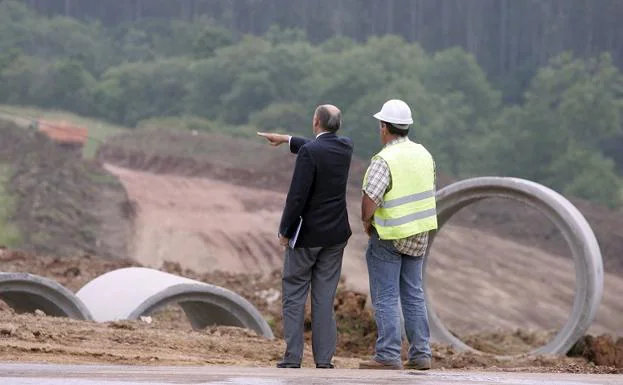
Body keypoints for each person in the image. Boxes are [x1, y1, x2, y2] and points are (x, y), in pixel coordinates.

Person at [257, 104, 353, 369]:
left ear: (315, 122)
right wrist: (287, 139)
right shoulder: (346, 148)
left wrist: (284, 231)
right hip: (335, 236)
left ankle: (293, 358)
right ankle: (324, 360)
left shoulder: (311, 152)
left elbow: (297, 197)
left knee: (294, 294)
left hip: (307, 237)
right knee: (324, 299)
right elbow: (317, 148)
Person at [358, 99, 437, 371]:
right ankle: (421, 354)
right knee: (414, 294)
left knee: (387, 295)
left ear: (384, 127)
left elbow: (370, 199)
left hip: (389, 235)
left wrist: (367, 222)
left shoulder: (385, 159)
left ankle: (388, 355)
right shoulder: (424, 154)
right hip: (418, 234)